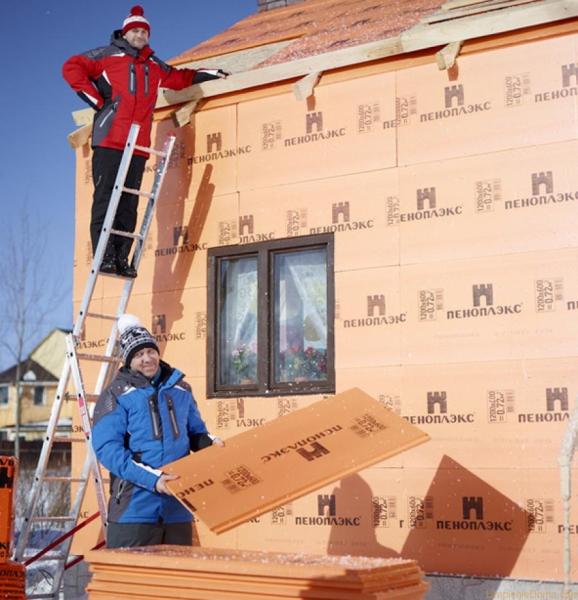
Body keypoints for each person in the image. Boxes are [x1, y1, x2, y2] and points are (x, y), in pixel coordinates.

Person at [62, 5, 229, 277]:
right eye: (135, 31)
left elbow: (178, 78)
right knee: (106, 199)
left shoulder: (153, 64)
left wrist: (209, 72)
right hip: (109, 139)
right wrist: (95, 99)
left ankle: (121, 259)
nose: (140, 35)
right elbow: (71, 66)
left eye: (144, 31)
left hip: (137, 144)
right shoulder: (107, 55)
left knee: (129, 203)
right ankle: (103, 256)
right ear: (126, 33)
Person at [92, 313, 223, 548]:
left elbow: (195, 434)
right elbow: (108, 450)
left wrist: (211, 443)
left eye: (150, 351)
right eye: (139, 354)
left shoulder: (181, 389)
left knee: (176, 582)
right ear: (128, 361)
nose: (147, 359)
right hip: (135, 510)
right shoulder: (115, 395)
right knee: (130, 583)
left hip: (177, 509)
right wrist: (154, 480)